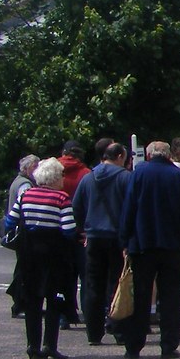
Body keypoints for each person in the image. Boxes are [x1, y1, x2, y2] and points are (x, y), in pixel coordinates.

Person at [119, 140, 180, 359]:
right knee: (172, 298)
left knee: (140, 296)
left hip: (143, 246)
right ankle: (168, 345)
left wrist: (125, 240)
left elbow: (129, 209)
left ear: (150, 155)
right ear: (168, 155)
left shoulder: (139, 174)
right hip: (172, 246)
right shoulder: (177, 176)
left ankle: (134, 345)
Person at [4, 157, 78, 359]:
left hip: (29, 254)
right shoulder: (61, 198)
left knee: (32, 302)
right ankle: (49, 345)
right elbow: (69, 230)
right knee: (53, 301)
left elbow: (10, 221)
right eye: (62, 175)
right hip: (53, 255)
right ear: (55, 178)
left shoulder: (26, 195)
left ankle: (32, 345)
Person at [71, 142, 131, 346]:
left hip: (94, 237)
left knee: (93, 285)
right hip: (117, 238)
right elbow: (132, 208)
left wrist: (83, 230)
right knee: (117, 284)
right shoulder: (125, 178)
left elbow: (77, 207)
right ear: (120, 156)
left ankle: (93, 332)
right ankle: (118, 329)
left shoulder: (88, 178)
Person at [58, 139, 91, 325]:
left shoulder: (52, 170)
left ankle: (64, 314)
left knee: (64, 275)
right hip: (81, 232)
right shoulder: (86, 174)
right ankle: (88, 314)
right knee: (86, 276)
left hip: (59, 232)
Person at [5, 154, 39, 318]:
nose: (37, 170)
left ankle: (19, 302)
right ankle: (20, 303)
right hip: (23, 233)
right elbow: (25, 207)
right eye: (34, 167)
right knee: (23, 270)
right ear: (26, 169)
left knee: (21, 268)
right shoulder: (25, 185)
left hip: (18, 231)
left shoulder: (17, 181)